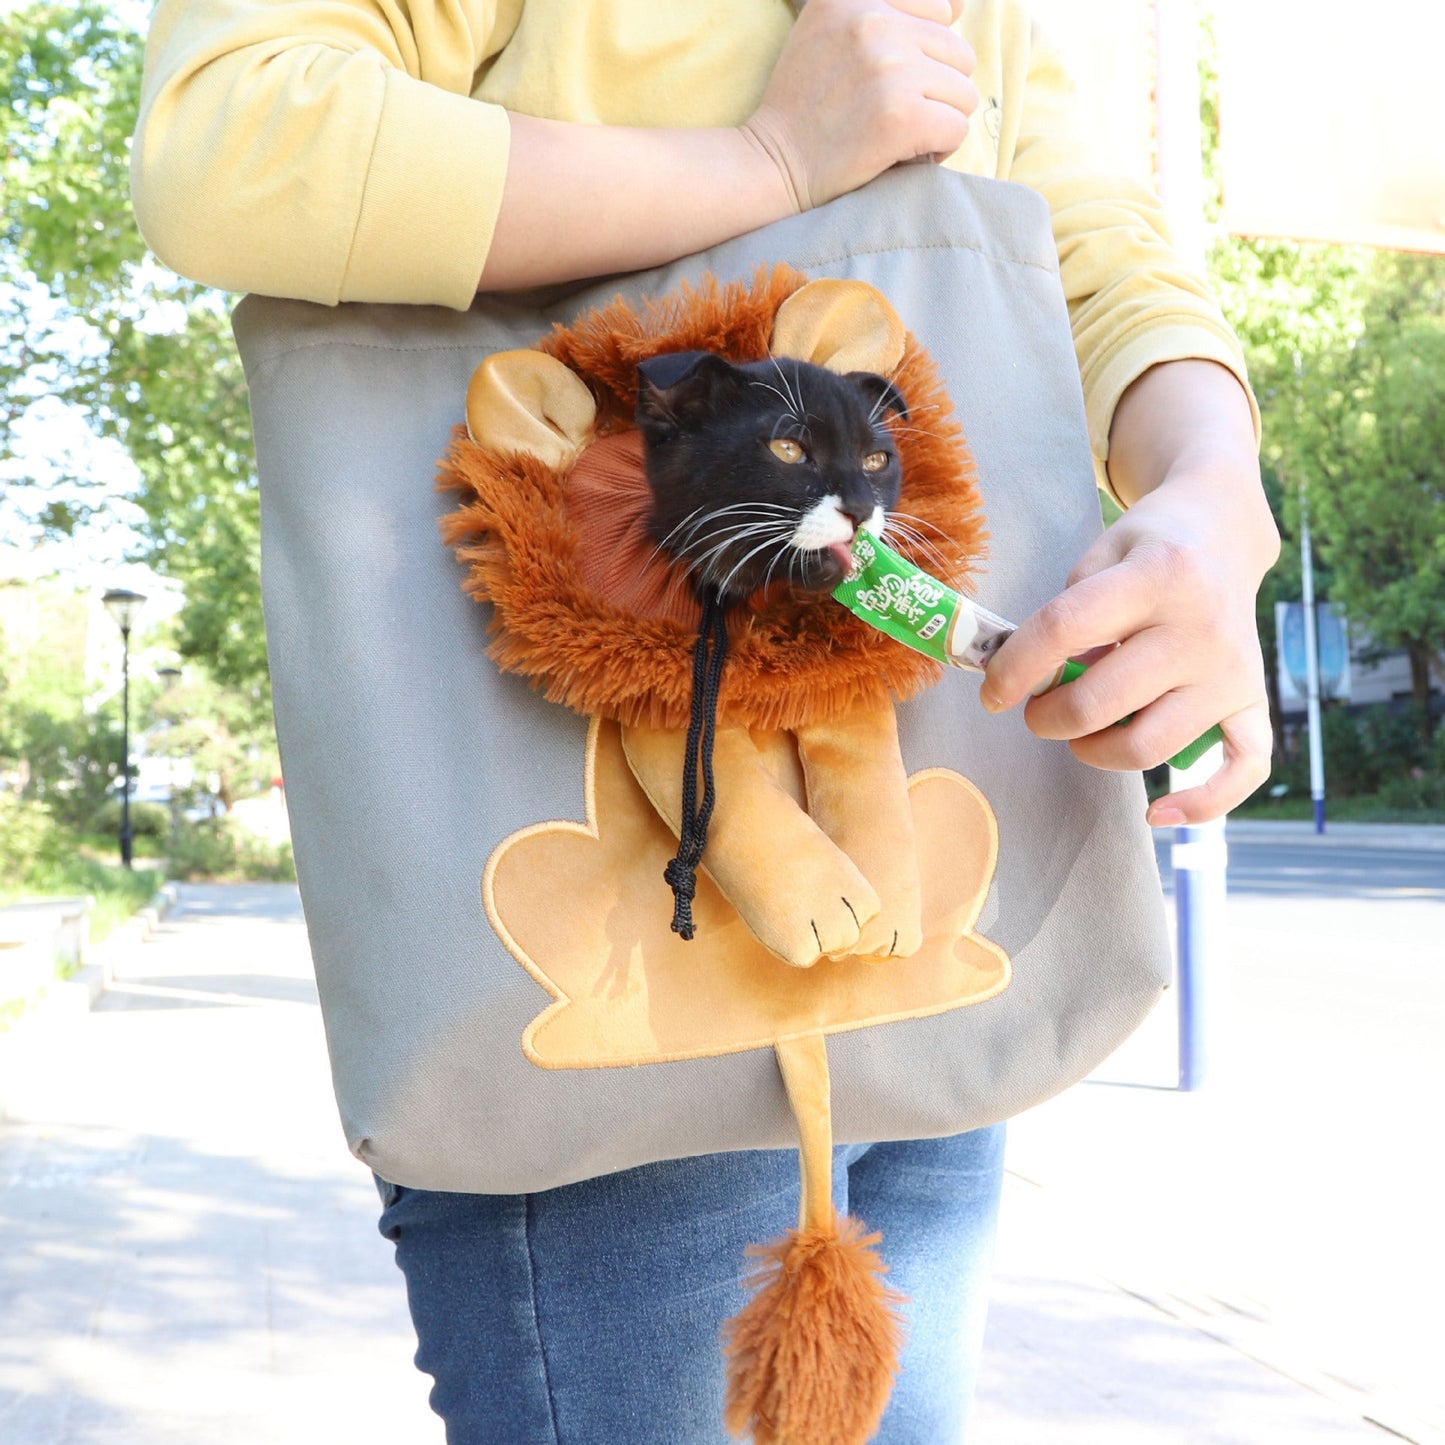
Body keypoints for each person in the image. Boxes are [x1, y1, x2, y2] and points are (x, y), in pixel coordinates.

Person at [131, 2, 1280, 1440]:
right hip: (611, 972)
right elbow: (228, 137)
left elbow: (1070, 224)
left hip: (921, 936)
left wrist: (1208, 489)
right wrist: (767, 158)